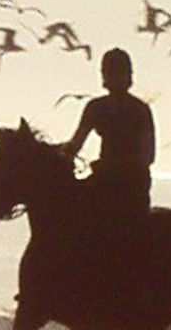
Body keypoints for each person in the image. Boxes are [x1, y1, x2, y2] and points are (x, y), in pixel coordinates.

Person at [62, 48, 155, 230]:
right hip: (103, 179)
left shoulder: (139, 110)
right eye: (110, 72)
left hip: (131, 184)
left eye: (115, 72)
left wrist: (111, 165)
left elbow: (148, 156)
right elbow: (74, 146)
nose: (113, 77)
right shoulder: (95, 107)